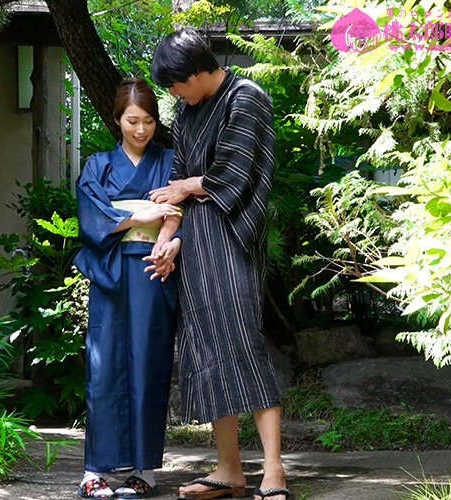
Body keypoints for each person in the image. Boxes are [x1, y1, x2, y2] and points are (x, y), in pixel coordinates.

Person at [149, 29, 290, 500]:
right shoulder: (186, 113)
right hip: (195, 244)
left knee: (244, 344)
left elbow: (235, 172)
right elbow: (175, 184)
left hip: (232, 240)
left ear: (195, 73)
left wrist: (189, 187)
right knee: (205, 351)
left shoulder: (245, 96)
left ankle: (274, 470)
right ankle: (229, 469)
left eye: (174, 84)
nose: (173, 93)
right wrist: (169, 240)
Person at [74, 77, 183, 499]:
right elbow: (91, 217)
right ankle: (94, 471)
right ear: (117, 119)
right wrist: (140, 217)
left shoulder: (170, 161)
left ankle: (144, 470)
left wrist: (172, 240)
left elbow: (184, 213)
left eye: (149, 121)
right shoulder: (98, 165)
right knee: (103, 367)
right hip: (111, 270)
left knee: (149, 364)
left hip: (154, 270)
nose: (141, 129)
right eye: (132, 121)